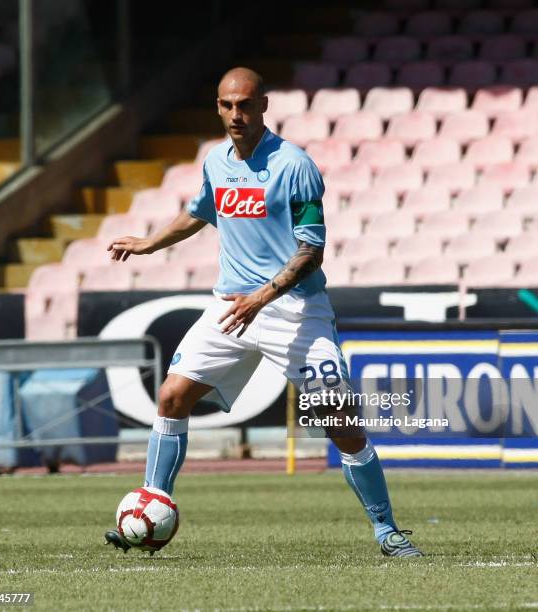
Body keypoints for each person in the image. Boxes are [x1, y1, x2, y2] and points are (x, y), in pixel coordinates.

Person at [105, 67, 422, 558]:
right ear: (218, 107)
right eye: (227, 105)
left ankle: (386, 529)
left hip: (293, 309)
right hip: (232, 306)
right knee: (171, 396)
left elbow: (310, 251)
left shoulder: (295, 166)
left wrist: (261, 298)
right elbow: (200, 211)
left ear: (264, 106)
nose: (236, 114)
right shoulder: (216, 161)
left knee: (340, 421)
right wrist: (149, 243)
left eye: (245, 105)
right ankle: (150, 505)